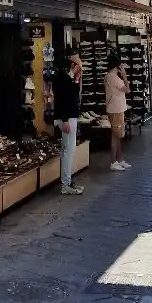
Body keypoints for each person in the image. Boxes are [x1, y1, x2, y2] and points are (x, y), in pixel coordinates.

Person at [52, 52, 84, 195]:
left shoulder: (68, 78)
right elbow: (62, 99)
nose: (80, 69)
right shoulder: (62, 78)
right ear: (73, 65)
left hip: (70, 116)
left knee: (69, 151)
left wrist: (77, 80)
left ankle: (68, 181)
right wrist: (65, 119)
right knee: (68, 152)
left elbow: (72, 95)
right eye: (78, 66)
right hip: (67, 118)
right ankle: (66, 184)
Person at [105, 52, 130, 172]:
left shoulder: (109, 76)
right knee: (115, 136)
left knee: (118, 135)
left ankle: (119, 159)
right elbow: (128, 89)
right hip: (116, 109)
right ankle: (113, 162)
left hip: (116, 108)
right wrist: (124, 75)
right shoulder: (113, 77)